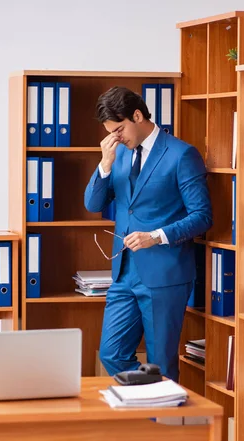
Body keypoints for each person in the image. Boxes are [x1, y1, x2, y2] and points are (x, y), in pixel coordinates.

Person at [84, 86, 212, 381]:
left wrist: (156, 235)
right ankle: (149, 401)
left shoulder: (181, 154)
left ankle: (163, 423)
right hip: (124, 273)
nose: (116, 137)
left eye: (119, 129)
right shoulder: (120, 155)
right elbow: (92, 204)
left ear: (137, 115)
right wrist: (105, 163)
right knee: (111, 353)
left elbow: (202, 216)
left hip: (165, 274)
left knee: (162, 362)